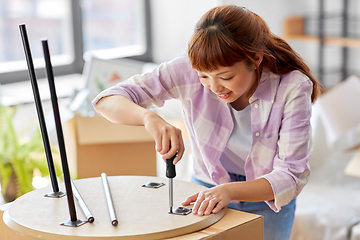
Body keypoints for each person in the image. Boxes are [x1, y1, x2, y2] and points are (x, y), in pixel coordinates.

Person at [92, 5, 323, 240]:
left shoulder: (292, 86)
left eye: (226, 77)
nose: (214, 87)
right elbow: (105, 100)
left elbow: (292, 175)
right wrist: (148, 117)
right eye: (203, 77)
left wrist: (229, 191)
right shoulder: (187, 68)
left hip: (267, 202)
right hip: (205, 191)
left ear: (255, 59)